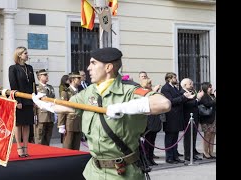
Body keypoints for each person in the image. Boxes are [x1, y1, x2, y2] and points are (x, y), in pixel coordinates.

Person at [32, 47, 171, 179]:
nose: (88, 68)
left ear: (108, 67)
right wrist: (44, 104)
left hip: (123, 173)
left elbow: (163, 104)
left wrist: (122, 107)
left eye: (93, 63)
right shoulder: (88, 92)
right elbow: (68, 106)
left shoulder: (129, 91)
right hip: (94, 172)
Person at [160, 72, 194, 164]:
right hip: (170, 116)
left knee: (175, 137)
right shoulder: (165, 88)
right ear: (169, 79)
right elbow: (170, 101)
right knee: (170, 137)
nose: (176, 79)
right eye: (174, 77)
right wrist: (184, 96)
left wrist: (187, 97)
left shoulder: (174, 88)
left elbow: (179, 99)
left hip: (177, 116)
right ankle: (169, 157)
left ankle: (175, 156)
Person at [9, 46, 37, 157]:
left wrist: (35, 99)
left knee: (27, 124)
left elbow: (34, 85)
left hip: (29, 99)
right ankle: (19, 147)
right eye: (25, 53)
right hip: (19, 100)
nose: (27, 55)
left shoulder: (30, 68)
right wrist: (17, 100)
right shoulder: (13, 68)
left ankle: (26, 146)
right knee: (19, 124)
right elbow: (13, 85)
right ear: (19, 55)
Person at [180, 78, 204, 161]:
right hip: (187, 118)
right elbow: (188, 105)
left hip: (194, 117)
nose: (192, 85)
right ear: (185, 85)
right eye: (190, 83)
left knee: (193, 136)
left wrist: (199, 98)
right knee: (188, 137)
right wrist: (197, 99)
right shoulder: (182, 93)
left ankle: (193, 154)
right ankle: (188, 155)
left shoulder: (192, 92)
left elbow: (196, 103)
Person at [57, 71, 83, 150]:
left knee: (76, 147)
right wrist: (61, 125)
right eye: (78, 78)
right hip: (69, 122)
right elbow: (62, 109)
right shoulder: (66, 92)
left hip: (79, 122)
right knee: (67, 146)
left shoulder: (80, 92)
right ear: (73, 79)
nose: (80, 80)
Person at [140, 78, 162, 166]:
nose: (150, 85)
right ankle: (146, 159)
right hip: (147, 120)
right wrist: (153, 91)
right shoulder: (143, 93)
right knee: (147, 141)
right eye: (149, 84)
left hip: (154, 119)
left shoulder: (152, 93)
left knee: (152, 141)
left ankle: (150, 158)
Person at [35, 69, 55, 146]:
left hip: (50, 115)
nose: (47, 76)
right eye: (45, 75)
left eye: (47, 75)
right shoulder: (36, 88)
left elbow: (53, 100)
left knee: (48, 137)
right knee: (39, 137)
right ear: (39, 77)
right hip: (41, 115)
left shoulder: (50, 87)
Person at [199, 82, 216, 159]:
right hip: (207, 119)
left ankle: (211, 152)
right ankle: (205, 152)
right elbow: (208, 104)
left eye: (211, 87)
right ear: (205, 88)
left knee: (212, 135)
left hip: (213, 119)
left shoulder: (211, 96)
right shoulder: (204, 96)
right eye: (209, 87)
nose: (211, 88)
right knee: (207, 135)